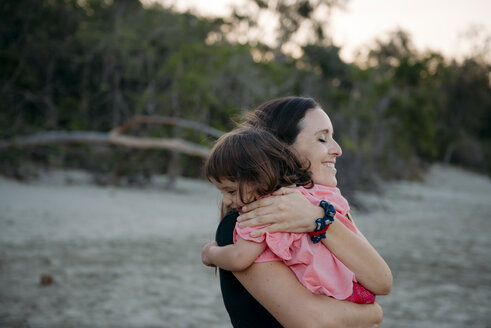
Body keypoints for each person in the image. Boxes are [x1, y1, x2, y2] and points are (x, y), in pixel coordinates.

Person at [203, 97, 392, 327]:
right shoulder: (248, 221)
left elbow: (382, 282)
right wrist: (374, 315)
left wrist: (317, 219)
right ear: (280, 150)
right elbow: (312, 322)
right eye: (322, 139)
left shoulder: (322, 210)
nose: (338, 150)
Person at [201, 127, 376, 304]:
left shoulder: (263, 213)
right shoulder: (306, 194)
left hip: (332, 293)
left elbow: (239, 258)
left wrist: (211, 254)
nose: (226, 201)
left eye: (230, 191)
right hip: (354, 286)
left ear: (259, 178)